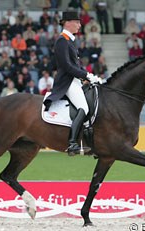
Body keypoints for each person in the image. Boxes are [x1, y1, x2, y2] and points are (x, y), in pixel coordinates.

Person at [43, 11, 101, 156]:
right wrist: (86, 75)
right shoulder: (62, 40)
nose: (79, 25)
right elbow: (67, 66)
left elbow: (76, 65)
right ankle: (72, 143)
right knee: (83, 107)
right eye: (77, 22)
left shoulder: (70, 41)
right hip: (67, 82)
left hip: (75, 80)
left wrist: (89, 76)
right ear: (67, 23)